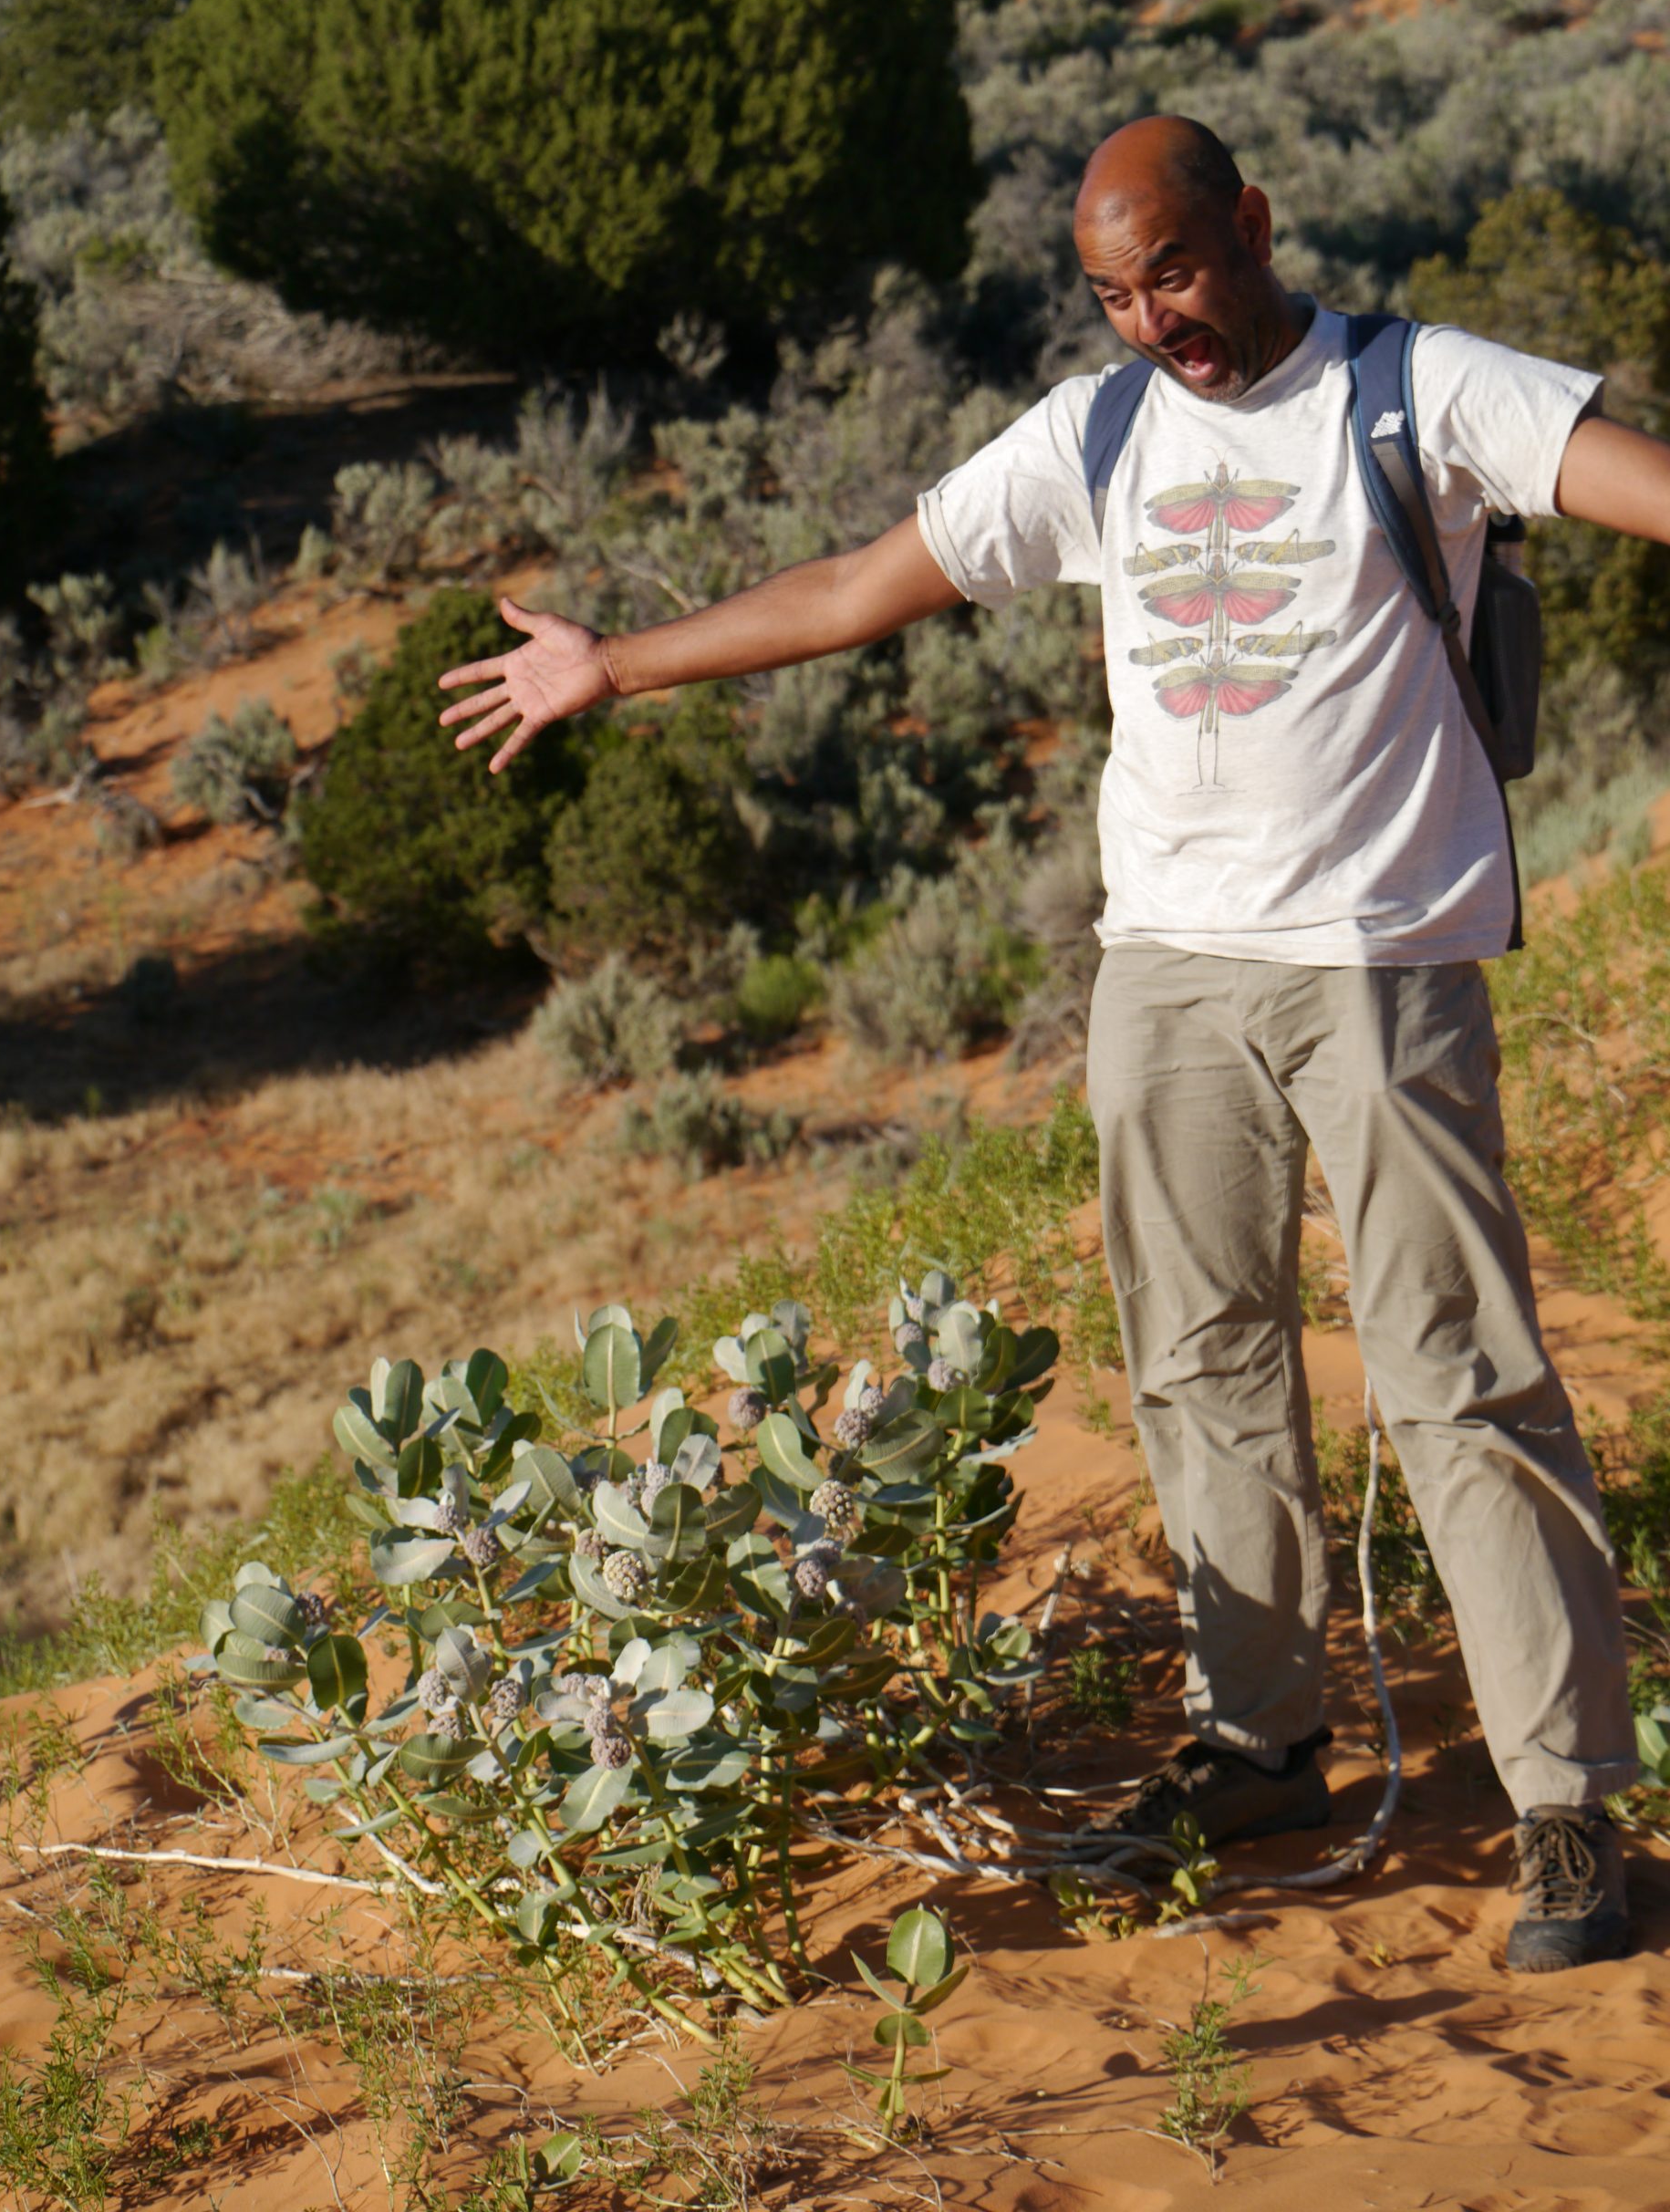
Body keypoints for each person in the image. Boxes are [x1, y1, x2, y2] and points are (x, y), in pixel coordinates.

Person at [438, 115, 1670, 1973]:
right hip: (1163, 969)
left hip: (1374, 957)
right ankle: (1258, 1746)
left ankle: (1572, 1804)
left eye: (1175, 269)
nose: (1154, 315)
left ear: (1251, 225)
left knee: (1454, 1369)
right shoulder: (1094, 436)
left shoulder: (1424, 389)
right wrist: (616, 663)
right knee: (1197, 1362)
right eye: (1113, 290)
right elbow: (862, 586)